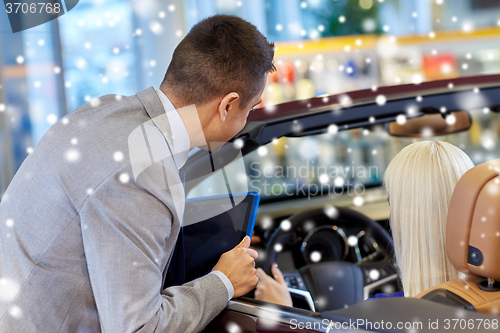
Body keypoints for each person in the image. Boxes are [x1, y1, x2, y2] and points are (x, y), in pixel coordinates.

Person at [0, 15, 275, 332]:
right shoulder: (144, 174)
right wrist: (223, 281)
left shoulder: (105, 110)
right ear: (227, 105)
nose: (246, 121)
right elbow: (140, 328)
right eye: (251, 109)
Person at [255, 141, 474, 306]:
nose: (390, 219)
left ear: (408, 222)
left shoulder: (382, 315)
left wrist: (282, 313)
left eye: (392, 205)